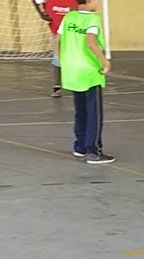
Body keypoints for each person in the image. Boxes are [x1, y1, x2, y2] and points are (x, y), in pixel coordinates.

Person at [54, 0, 113, 163]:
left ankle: (79, 146)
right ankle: (93, 151)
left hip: (72, 71)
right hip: (88, 72)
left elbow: (57, 40)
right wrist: (104, 62)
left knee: (80, 110)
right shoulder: (93, 19)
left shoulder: (69, 17)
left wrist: (63, 61)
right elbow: (90, 42)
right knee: (94, 113)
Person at [30, 0, 74, 96]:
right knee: (57, 55)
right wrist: (41, 13)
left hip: (74, 24)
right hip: (57, 23)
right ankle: (57, 85)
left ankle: (78, 82)